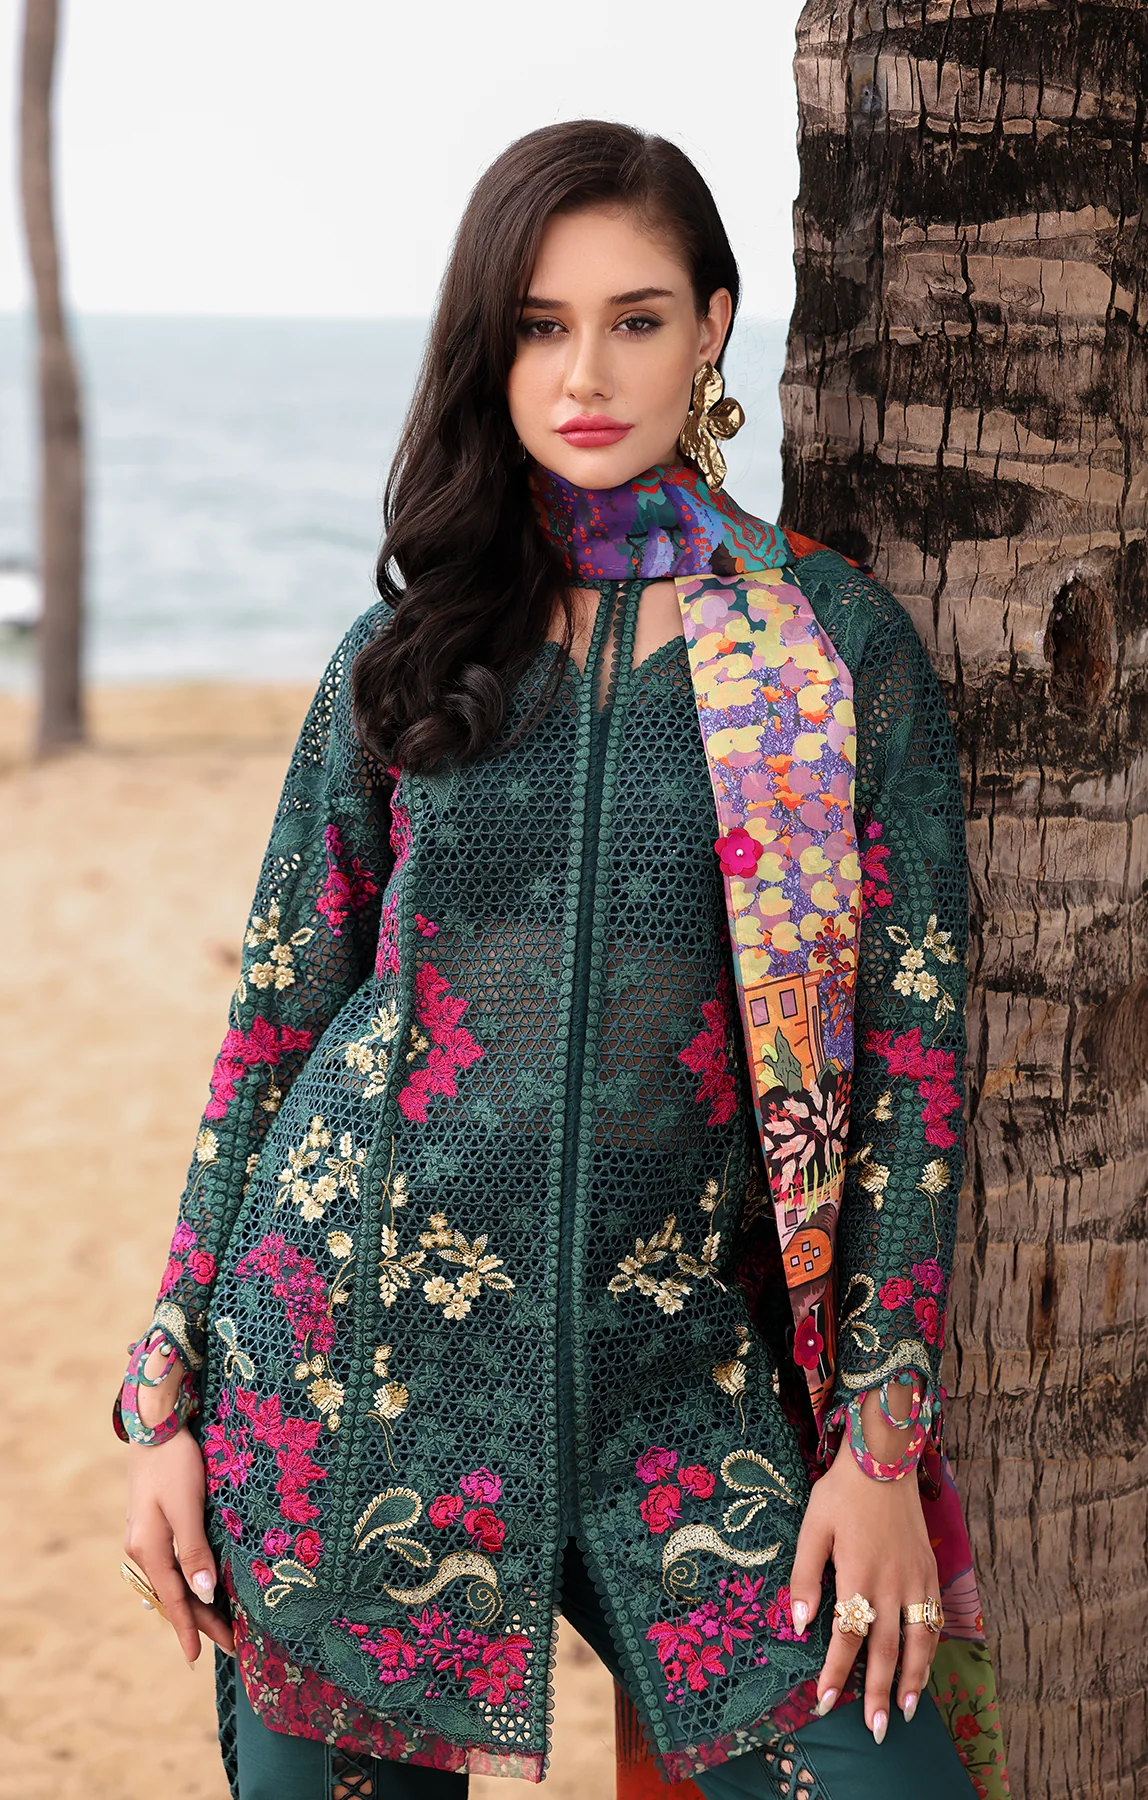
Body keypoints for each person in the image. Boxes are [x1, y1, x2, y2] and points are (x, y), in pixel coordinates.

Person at [116, 121, 1007, 1800]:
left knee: (880, 1775)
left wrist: (880, 1449)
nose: (585, 372)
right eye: (538, 326)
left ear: (714, 326)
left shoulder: (826, 649)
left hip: (681, 1376)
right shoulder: (407, 653)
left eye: (635, 318)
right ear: (490, 345)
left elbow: (911, 1066)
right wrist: (164, 1402)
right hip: (349, 1378)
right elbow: (274, 1032)